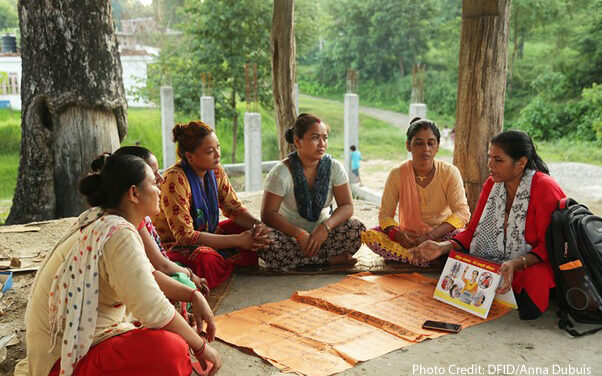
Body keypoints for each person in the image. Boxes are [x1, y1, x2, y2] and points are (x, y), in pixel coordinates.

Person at [14, 154, 221, 376]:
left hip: (65, 350)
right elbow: (155, 310)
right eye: (153, 182)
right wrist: (200, 348)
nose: (161, 187)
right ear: (133, 193)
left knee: (175, 324)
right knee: (172, 349)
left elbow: (147, 276)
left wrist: (193, 295)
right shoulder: (118, 233)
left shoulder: (104, 220)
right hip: (64, 362)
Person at [410, 130, 566, 320]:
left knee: (533, 285)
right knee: (449, 257)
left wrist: (516, 263)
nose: (490, 165)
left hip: (532, 262)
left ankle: (505, 288)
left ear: (521, 163)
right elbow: (472, 231)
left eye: (498, 160)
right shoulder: (492, 184)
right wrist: (441, 247)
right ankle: (497, 287)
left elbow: (550, 246)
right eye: (490, 157)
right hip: (497, 260)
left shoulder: (545, 188)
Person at [153, 121, 270, 289]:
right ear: (190, 156)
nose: (218, 154)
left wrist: (259, 226)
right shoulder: (175, 179)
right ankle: (224, 264)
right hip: (176, 245)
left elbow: (234, 209)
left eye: (218, 147)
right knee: (206, 260)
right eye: (210, 151)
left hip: (209, 231)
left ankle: (226, 261)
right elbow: (185, 237)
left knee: (251, 233)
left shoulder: (215, 170)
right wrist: (237, 241)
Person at [260, 113, 366, 271]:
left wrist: (326, 227)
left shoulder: (334, 168)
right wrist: (299, 234)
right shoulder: (280, 173)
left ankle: (302, 261)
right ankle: (328, 260)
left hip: (324, 236)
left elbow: (346, 206)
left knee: (357, 229)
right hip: (289, 237)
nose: (322, 144)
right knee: (264, 240)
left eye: (325, 138)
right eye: (315, 138)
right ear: (297, 141)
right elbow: (268, 214)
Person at [362, 117, 470, 263]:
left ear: (437, 146)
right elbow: (385, 215)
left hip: (441, 236)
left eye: (431, 143)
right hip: (408, 237)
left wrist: (431, 236)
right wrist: (398, 235)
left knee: (463, 237)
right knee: (373, 236)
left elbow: (462, 212)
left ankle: (420, 256)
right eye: (418, 143)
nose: (425, 149)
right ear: (408, 145)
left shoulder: (449, 172)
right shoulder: (397, 174)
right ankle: (430, 259)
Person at [111, 146, 209, 296]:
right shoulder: (128, 221)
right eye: (152, 176)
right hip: (145, 277)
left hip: (160, 263)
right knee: (186, 282)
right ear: (134, 191)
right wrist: (190, 275)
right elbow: (160, 266)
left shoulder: (138, 211)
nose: (161, 179)